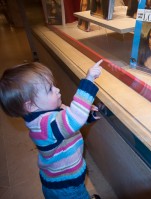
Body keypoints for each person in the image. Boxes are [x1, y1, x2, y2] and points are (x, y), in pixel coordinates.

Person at [0, 61, 103, 199]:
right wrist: (89, 80)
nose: (57, 89)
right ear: (30, 106)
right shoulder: (42, 126)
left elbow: (70, 118)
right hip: (65, 186)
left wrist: (87, 114)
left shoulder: (50, 112)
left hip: (58, 181)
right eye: (49, 89)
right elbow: (73, 119)